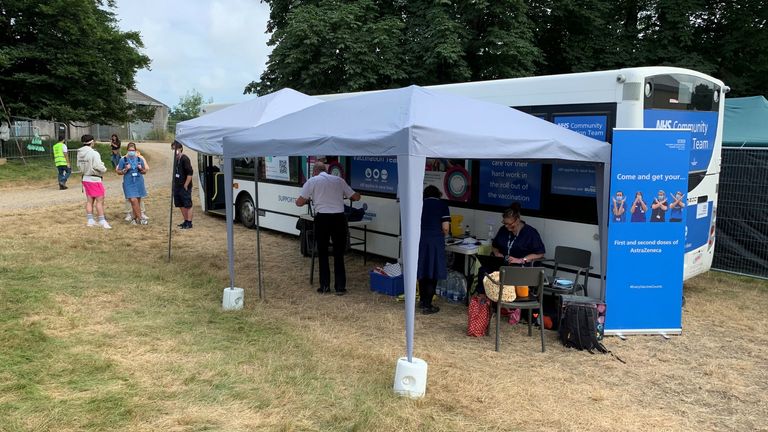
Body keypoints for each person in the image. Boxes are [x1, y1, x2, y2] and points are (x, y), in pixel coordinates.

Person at [295, 161, 361, 295]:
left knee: (323, 253)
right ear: (326, 170)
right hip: (338, 219)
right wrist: (356, 194)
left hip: (322, 219)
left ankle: (324, 286)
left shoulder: (312, 181)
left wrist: (309, 199)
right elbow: (355, 197)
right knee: (338, 253)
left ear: (314, 171)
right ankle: (340, 287)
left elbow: (299, 202)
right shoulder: (339, 180)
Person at [475, 202, 546, 294]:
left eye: (509, 224)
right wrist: (497, 254)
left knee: (508, 276)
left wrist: (521, 260)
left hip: (520, 268)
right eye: (504, 223)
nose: (507, 227)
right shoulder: (503, 230)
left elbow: (540, 253)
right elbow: (495, 246)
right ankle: (484, 300)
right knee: (483, 271)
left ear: (517, 220)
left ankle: (507, 302)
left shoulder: (530, 233)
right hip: (503, 265)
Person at [417, 185, 450, 315]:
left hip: (420, 240)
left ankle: (421, 300)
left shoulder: (419, 204)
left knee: (422, 270)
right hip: (435, 241)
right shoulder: (442, 205)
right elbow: (446, 228)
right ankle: (428, 305)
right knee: (432, 272)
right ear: (438, 194)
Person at [76, 134, 111, 229]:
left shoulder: (79, 153)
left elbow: (78, 166)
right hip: (94, 179)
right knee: (100, 200)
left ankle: (90, 220)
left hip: (85, 178)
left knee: (89, 200)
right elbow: (97, 166)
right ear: (92, 142)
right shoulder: (94, 153)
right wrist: (104, 169)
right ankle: (102, 220)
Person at [116, 142, 149, 225]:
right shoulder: (123, 160)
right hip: (128, 182)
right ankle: (141, 218)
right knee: (133, 200)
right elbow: (119, 171)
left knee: (137, 200)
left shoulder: (139, 159)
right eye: (130, 150)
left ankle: (134, 219)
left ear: (135, 150)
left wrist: (141, 169)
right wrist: (125, 169)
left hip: (138, 181)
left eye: (133, 150)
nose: (131, 152)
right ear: (127, 150)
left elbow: (144, 171)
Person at [171, 141, 194, 229]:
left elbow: (190, 173)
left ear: (180, 149)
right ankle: (185, 221)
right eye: (173, 149)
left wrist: (186, 184)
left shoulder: (185, 159)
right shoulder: (176, 159)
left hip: (184, 186)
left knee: (187, 204)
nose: (174, 150)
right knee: (180, 204)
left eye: (175, 148)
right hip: (177, 185)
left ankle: (189, 222)